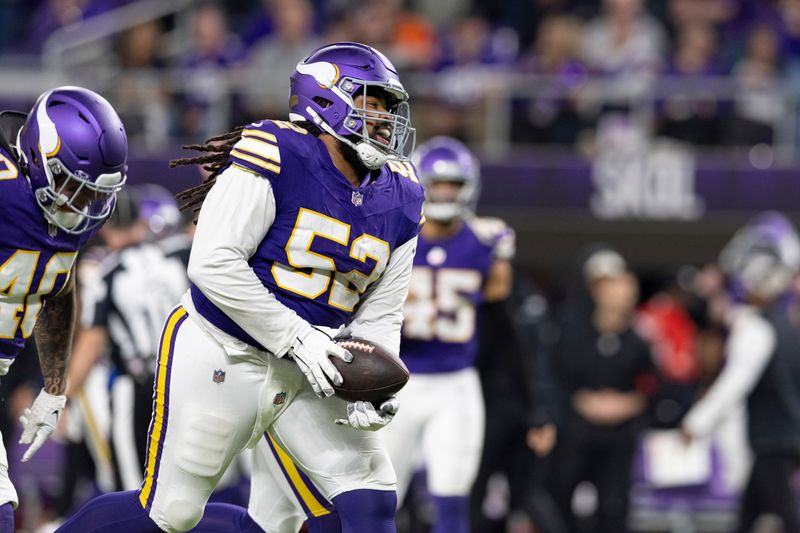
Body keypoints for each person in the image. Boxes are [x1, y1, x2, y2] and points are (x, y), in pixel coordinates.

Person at [57, 41, 424, 533]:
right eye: (369, 102)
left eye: (387, 108)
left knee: (370, 502)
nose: (382, 119)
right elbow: (212, 264)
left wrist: (376, 381)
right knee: (170, 512)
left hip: (313, 365)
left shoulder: (402, 194)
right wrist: (297, 337)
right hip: (224, 349)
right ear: (325, 100)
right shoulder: (278, 151)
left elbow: (383, 310)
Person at [0, 86, 127, 531]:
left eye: (93, 193)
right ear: (39, 157)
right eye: (74, 186)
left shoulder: (68, 216)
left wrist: (54, 388)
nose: (82, 206)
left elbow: (57, 284)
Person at [681, 212, 800, 533]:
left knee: (785, 512)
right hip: (782, 435)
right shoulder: (787, 325)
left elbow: (735, 383)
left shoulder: (757, 328)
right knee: (751, 512)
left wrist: (696, 423)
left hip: (772, 438)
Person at [65, 187, 189, 491]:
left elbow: (92, 341)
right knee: (181, 484)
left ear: (105, 227)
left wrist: (61, 394)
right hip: (182, 381)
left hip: (134, 385)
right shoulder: (174, 262)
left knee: (134, 487)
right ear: (141, 222)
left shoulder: (106, 274)